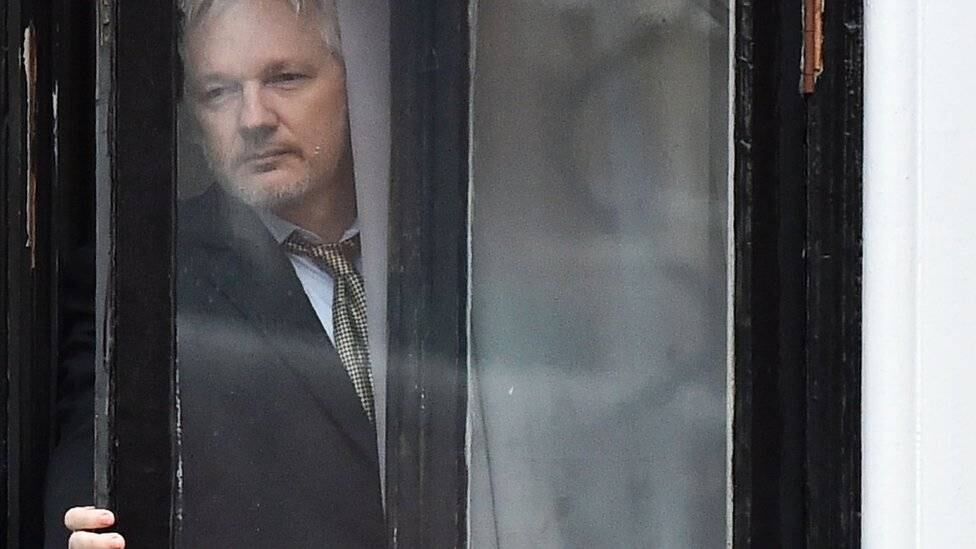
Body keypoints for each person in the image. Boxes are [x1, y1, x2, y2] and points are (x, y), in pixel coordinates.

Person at [48, 0, 385, 547]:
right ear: (194, 120)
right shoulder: (148, 275)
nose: (253, 119)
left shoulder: (454, 244)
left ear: (356, 84)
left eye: (285, 78)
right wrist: (80, 531)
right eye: (219, 92)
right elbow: (91, 472)